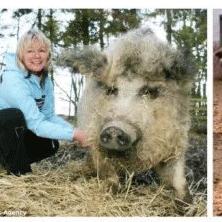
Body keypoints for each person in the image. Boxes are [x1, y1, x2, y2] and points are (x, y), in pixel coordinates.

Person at [0, 29, 87, 176]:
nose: (36, 56)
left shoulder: (45, 81)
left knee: (50, 143)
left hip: (10, 138)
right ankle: (19, 173)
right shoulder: (13, 80)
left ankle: (6, 164)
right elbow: (36, 124)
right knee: (13, 116)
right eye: (30, 51)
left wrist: (77, 132)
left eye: (41, 50)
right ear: (21, 55)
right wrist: (74, 135)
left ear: (48, 54)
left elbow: (48, 117)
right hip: (3, 130)